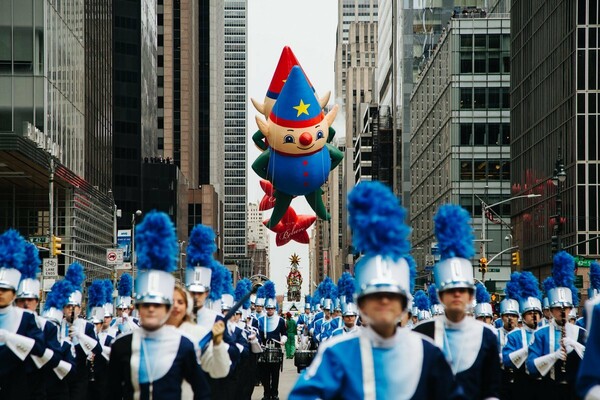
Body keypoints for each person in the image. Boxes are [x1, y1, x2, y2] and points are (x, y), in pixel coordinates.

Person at [291, 182, 458, 399]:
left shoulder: (430, 353)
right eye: (375, 296)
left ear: (404, 305)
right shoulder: (336, 352)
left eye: (391, 296)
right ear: (361, 305)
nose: (384, 302)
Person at [108, 211, 210, 400]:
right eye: (145, 304)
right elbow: (110, 393)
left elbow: (202, 391)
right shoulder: (121, 346)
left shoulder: (184, 345)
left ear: (167, 308)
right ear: (138, 307)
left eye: (157, 304)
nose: (151, 309)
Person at [413, 204, 501, 399]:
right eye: (450, 290)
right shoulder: (421, 333)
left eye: (462, 291)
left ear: (471, 297)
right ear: (441, 296)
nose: (456, 295)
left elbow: (492, 390)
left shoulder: (487, 337)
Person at [526, 251, 586, 400]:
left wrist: (576, 346)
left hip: (576, 391)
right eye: (558, 309)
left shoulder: (582, 333)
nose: (562, 312)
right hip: (549, 391)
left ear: (571, 308)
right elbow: (530, 368)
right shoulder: (540, 334)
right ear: (551, 311)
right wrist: (553, 356)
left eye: (565, 308)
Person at [0, 230, 47, 398]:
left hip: (19, 388)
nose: (0, 293)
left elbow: (40, 348)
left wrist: (8, 337)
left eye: (5, 290)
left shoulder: (25, 318)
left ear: (13, 294)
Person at [60, 263, 103, 400]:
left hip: (80, 373)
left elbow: (98, 349)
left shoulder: (87, 326)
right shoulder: (57, 325)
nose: (71, 310)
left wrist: (80, 335)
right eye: (68, 307)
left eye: (74, 307)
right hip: (61, 373)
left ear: (79, 309)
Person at [502, 271, 543, 399]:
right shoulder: (515, 335)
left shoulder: (545, 332)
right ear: (523, 317)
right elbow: (507, 360)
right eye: (530, 313)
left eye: (536, 313)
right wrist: (526, 350)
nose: (533, 315)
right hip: (522, 382)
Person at [257, 281, 287, 400]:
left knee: (275, 374)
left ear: (275, 309)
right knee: (264, 374)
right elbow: (258, 334)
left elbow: (284, 334)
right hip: (264, 349)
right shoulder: (261, 320)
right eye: (268, 308)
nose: (270, 310)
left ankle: (274, 393)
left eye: (272, 309)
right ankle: (266, 393)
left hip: (276, 349)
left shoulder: (280, 320)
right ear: (266, 308)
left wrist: (283, 340)